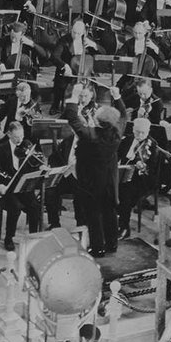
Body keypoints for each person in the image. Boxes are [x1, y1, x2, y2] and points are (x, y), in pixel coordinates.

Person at [65, 82, 126, 257]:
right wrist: (117, 97)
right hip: (109, 182)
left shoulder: (91, 135)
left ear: (98, 122)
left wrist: (74, 96)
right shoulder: (117, 133)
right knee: (109, 212)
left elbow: (73, 119)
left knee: (93, 216)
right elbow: (123, 117)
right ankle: (112, 244)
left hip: (91, 184)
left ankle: (98, 247)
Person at [0, 122, 42, 250]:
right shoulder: (0, 149)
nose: (19, 140)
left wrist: (40, 165)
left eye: (21, 136)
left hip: (22, 187)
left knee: (35, 206)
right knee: (15, 207)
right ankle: (9, 238)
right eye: (16, 137)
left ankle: (33, 237)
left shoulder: (26, 146)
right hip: (7, 189)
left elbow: (34, 164)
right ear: (8, 134)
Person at [116, 117, 158, 238]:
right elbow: (117, 155)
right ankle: (112, 220)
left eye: (143, 132)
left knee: (125, 195)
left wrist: (142, 166)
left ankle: (124, 227)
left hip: (142, 179)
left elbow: (152, 167)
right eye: (137, 131)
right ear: (133, 129)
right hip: (123, 174)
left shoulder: (152, 145)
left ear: (148, 131)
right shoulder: (127, 139)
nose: (139, 135)